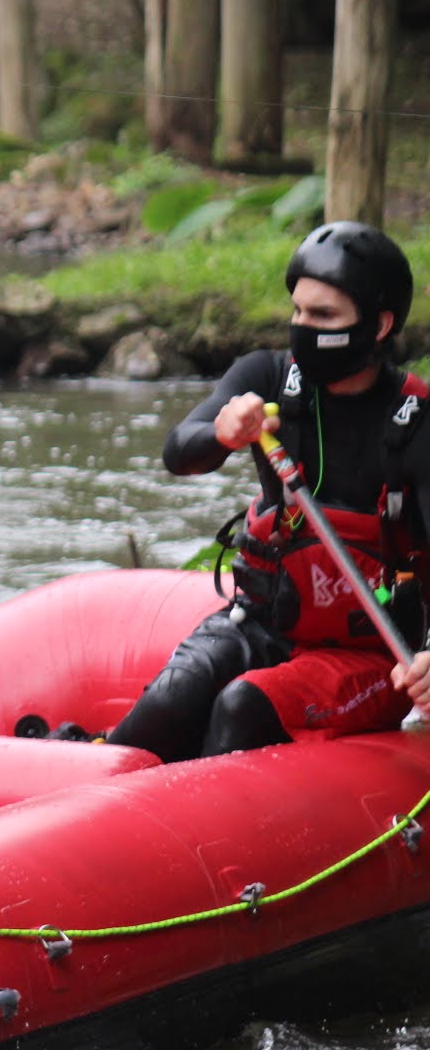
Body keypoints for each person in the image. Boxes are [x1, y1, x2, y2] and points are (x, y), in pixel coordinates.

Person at [107, 221, 427, 761]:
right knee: (171, 698)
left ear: (379, 325)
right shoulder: (266, 375)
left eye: (323, 316)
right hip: (262, 622)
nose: (303, 328)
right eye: (298, 312)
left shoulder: (417, 421)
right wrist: (222, 433)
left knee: (244, 705)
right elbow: (179, 450)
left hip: (367, 655)